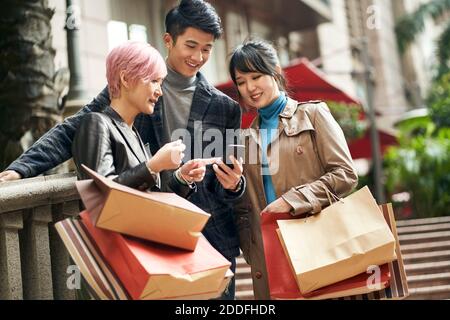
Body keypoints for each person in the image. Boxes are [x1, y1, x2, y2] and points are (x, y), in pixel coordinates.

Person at [0, 0, 244, 299]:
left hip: (213, 238)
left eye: (207, 49)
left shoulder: (225, 107)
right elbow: (73, 128)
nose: (198, 56)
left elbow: (231, 178)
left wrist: (235, 185)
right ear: (169, 40)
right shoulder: (135, 85)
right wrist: (21, 168)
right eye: (191, 45)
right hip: (153, 236)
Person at [229, 39, 358, 300]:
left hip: (317, 241)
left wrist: (292, 201)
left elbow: (345, 174)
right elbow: (246, 203)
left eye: (256, 76)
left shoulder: (313, 114)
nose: (250, 88)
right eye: (241, 82)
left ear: (275, 70)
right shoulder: (244, 138)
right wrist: (251, 248)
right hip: (269, 253)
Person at [73, 40, 213, 194]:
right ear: (125, 79)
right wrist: (153, 166)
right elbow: (100, 193)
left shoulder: (134, 132)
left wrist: (182, 177)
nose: (160, 91)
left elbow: (152, 196)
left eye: (160, 83)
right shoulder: (96, 123)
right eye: (154, 81)